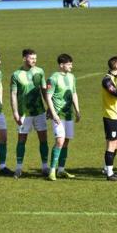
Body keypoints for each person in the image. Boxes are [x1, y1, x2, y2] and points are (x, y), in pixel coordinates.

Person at [10, 49, 49, 179]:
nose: (34, 60)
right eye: (31, 58)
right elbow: (13, 95)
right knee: (22, 139)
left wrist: (49, 107)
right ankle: (18, 168)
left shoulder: (40, 71)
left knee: (43, 138)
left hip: (39, 111)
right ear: (24, 58)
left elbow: (44, 91)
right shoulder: (16, 74)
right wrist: (15, 112)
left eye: (35, 58)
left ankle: (45, 167)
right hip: (24, 113)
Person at [45, 53, 80, 181]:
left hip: (69, 115)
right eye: (69, 64)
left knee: (66, 142)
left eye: (71, 64)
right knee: (59, 141)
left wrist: (77, 110)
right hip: (58, 115)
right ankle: (52, 170)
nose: (71, 66)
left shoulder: (72, 77)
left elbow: (74, 93)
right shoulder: (53, 78)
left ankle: (61, 170)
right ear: (61, 65)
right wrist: (53, 114)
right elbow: (48, 96)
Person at [101, 56, 117, 181]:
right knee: (111, 144)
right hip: (111, 117)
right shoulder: (107, 80)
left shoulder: (116, 78)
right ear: (116, 65)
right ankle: (109, 173)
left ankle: (106, 167)